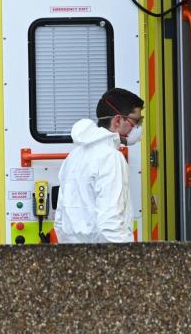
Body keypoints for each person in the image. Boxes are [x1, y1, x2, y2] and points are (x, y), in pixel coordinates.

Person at [53, 87, 144, 243]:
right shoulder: (111, 157)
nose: (137, 128)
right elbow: (111, 222)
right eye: (136, 121)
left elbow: (60, 220)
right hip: (103, 256)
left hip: (73, 253)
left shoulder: (74, 156)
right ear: (117, 120)